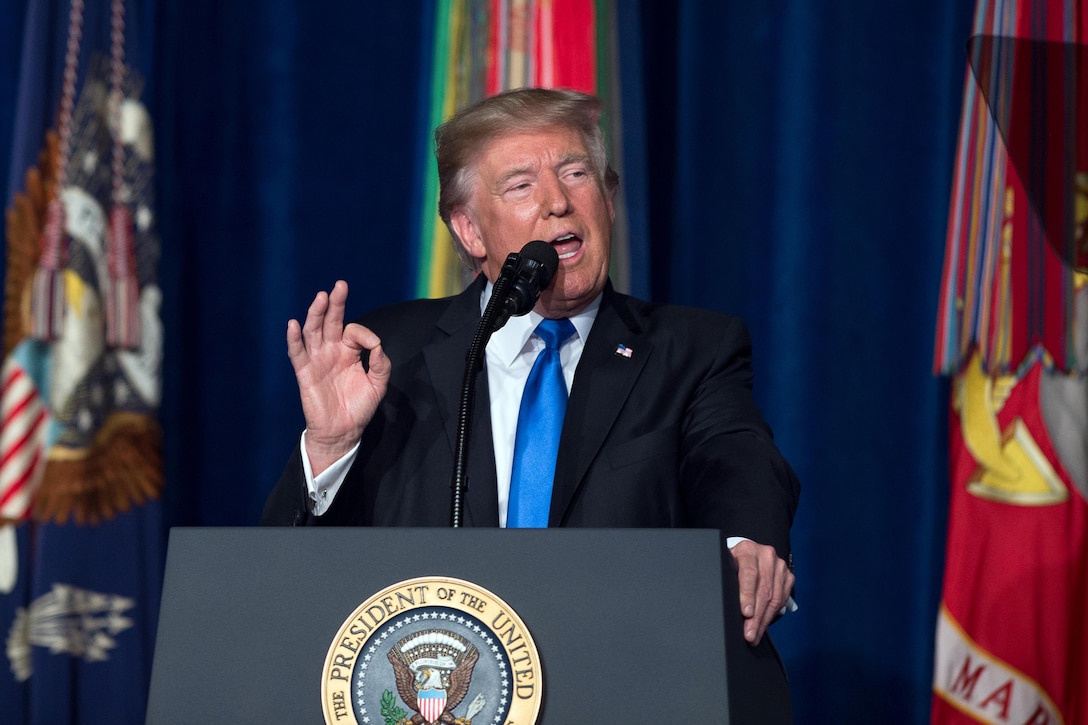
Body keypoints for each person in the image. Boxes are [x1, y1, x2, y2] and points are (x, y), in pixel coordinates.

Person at [262, 87, 800, 722]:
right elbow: (286, 579)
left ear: (609, 198)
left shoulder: (690, 350)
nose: (557, 201)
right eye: (520, 185)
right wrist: (330, 447)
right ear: (469, 230)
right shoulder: (395, 354)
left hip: (628, 690)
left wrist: (746, 540)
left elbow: (733, 453)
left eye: (576, 173)